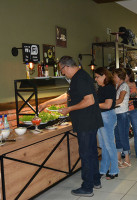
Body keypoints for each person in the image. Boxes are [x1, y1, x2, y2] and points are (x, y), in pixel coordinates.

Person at [39, 56, 103, 197]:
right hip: (90, 121)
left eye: (62, 70)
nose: (62, 73)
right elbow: (67, 96)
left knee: (86, 154)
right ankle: (95, 180)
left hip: (86, 122)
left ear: (66, 66)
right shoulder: (79, 77)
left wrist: (69, 109)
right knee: (92, 152)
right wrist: (47, 103)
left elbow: (89, 100)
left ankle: (87, 187)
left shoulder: (79, 78)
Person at [94, 67, 119, 180]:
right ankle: (103, 169)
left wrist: (93, 105)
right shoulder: (101, 88)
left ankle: (114, 170)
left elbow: (108, 105)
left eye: (97, 77)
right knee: (104, 146)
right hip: (101, 117)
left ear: (104, 75)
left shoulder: (109, 88)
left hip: (107, 116)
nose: (96, 79)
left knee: (109, 145)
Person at [125, 68, 137, 160]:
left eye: (124, 75)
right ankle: (125, 152)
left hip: (135, 110)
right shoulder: (120, 85)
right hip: (124, 111)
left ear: (129, 76)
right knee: (124, 133)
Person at [113, 68, 131, 168]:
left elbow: (120, 100)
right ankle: (118, 158)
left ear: (120, 77)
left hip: (122, 114)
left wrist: (108, 103)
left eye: (115, 76)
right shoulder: (117, 85)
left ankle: (127, 160)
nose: (113, 78)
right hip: (116, 114)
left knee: (123, 137)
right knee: (118, 137)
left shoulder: (124, 86)